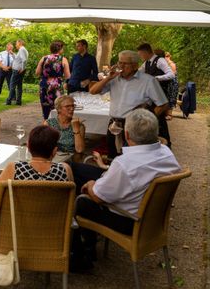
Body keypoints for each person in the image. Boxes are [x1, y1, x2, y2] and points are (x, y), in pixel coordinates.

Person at [72, 109, 181, 267]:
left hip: (128, 219)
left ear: (127, 135)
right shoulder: (166, 153)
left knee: (82, 201)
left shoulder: (125, 164)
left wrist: (90, 186)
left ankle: (82, 254)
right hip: (150, 216)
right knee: (76, 169)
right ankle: (87, 247)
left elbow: (97, 197)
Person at [90, 50, 168, 159]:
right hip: (114, 124)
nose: (121, 66)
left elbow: (163, 104)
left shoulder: (148, 81)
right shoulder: (114, 79)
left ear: (135, 65)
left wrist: (149, 120)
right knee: (113, 157)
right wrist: (108, 77)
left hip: (135, 127)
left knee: (133, 159)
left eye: (125, 63)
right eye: (119, 62)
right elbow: (93, 91)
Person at [0, 125, 73, 211]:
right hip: (54, 227)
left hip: (15, 228)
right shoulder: (65, 169)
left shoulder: (15, 168)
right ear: (54, 151)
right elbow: (70, 205)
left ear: (28, 147)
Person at [138, 43, 174, 145]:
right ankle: (155, 143)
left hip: (161, 94)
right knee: (155, 118)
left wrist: (156, 78)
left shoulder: (160, 60)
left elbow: (171, 74)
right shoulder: (147, 63)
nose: (140, 57)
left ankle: (167, 144)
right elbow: (138, 72)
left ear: (146, 52)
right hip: (151, 95)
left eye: (141, 54)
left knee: (159, 119)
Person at [35, 40, 71, 120]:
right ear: (60, 49)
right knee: (57, 107)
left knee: (45, 109)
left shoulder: (44, 58)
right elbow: (68, 76)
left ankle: (46, 125)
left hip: (44, 85)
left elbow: (37, 73)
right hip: (56, 86)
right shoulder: (63, 59)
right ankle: (56, 127)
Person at [44, 95, 86, 162]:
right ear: (59, 109)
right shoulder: (49, 123)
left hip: (70, 160)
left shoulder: (79, 125)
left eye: (73, 106)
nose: (72, 109)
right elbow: (43, 145)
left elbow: (80, 150)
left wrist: (76, 128)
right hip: (52, 159)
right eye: (67, 106)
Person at [6, 39, 28, 106]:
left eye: (16, 43)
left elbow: (24, 60)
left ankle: (8, 101)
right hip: (19, 70)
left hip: (17, 70)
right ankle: (18, 101)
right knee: (19, 86)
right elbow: (18, 59)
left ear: (20, 43)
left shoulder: (21, 49)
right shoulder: (23, 49)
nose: (15, 45)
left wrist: (22, 68)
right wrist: (13, 54)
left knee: (12, 85)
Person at [162, 50, 179, 120]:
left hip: (173, 83)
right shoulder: (166, 64)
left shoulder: (172, 64)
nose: (165, 58)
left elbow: (173, 75)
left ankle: (170, 115)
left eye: (166, 57)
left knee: (171, 98)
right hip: (168, 83)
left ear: (168, 57)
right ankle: (166, 113)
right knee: (167, 97)